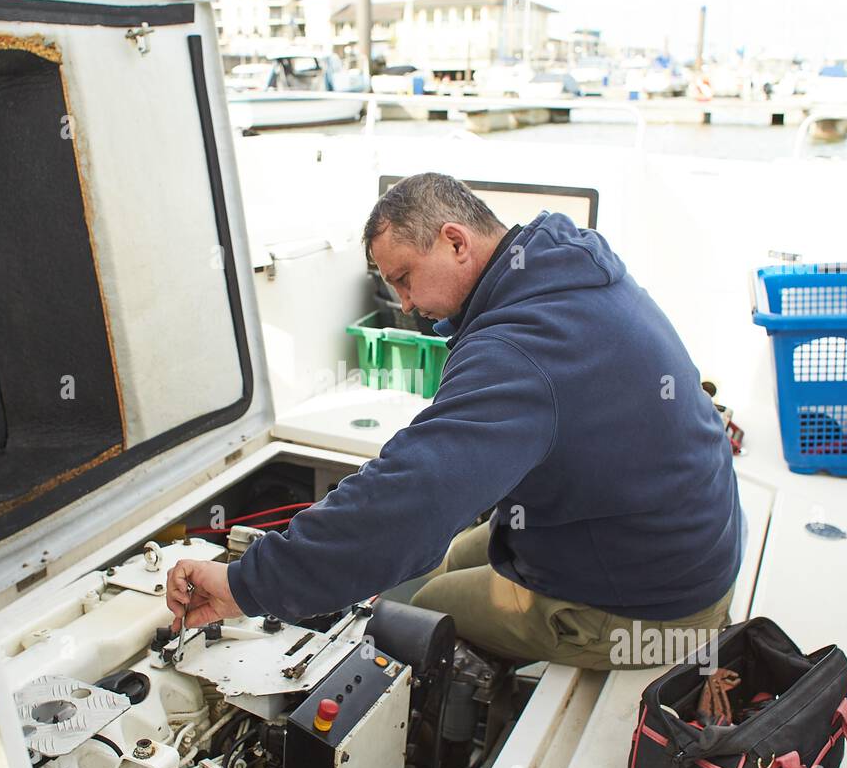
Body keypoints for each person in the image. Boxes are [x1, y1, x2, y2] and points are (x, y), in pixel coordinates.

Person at [168, 173, 743, 669]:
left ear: (455, 241)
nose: (407, 304)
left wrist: (248, 584)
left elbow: (410, 499)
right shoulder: (562, 266)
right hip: (676, 539)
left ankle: (440, 762)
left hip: (657, 608)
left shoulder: (520, 348)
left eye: (404, 278)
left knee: (414, 613)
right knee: (444, 559)